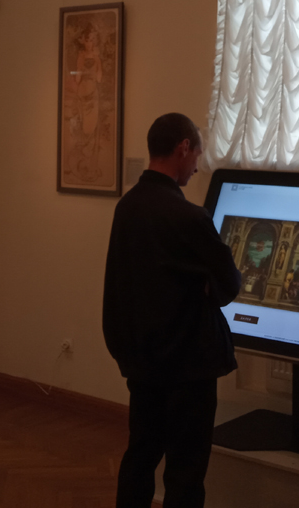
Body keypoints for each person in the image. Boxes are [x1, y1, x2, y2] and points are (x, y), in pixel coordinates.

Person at [103, 113, 241, 508]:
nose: (197, 166)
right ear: (183, 148)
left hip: (142, 360)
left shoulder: (127, 207)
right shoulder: (190, 217)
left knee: (141, 453)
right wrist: (206, 285)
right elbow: (230, 282)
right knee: (186, 469)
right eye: (197, 154)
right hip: (187, 367)